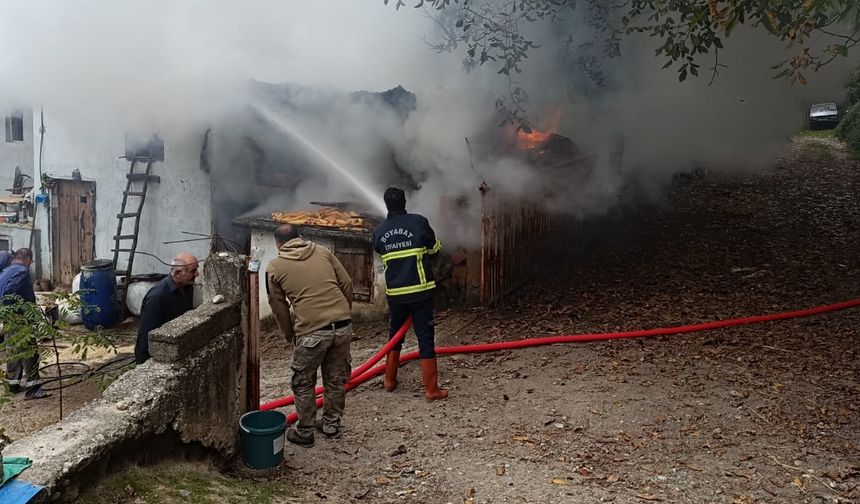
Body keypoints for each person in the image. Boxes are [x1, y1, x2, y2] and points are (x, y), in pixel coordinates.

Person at [266, 224, 353, 448]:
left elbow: (278, 307)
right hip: (342, 326)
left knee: (303, 382)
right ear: (300, 237)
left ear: (278, 244)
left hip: (311, 332)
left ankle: (305, 431)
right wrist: (343, 313)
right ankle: (331, 424)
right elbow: (347, 283)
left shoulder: (275, 267)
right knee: (335, 379)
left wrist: (290, 335)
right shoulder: (323, 251)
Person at [372, 187, 448, 401]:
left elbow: (381, 254)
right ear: (405, 202)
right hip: (421, 292)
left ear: (386, 205)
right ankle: (432, 391)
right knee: (425, 338)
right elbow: (435, 251)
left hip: (396, 294)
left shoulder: (378, 231)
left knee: (395, 336)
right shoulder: (419, 222)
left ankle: (389, 381)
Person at [134, 252, 198, 364]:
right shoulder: (157, 298)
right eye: (193, 271)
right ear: (178, 273)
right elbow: (145, 335)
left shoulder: (187, 287)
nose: (197, 274)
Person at [0, 248, 47, 399]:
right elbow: (9, 293)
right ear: (28, 259)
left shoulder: (5, 272)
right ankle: (33, 389)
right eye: (31, 262)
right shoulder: (22, 271)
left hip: (8, 318)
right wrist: (19, 311)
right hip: (19, 318)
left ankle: (12, 385)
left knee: (13, 350)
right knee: (30, 352)